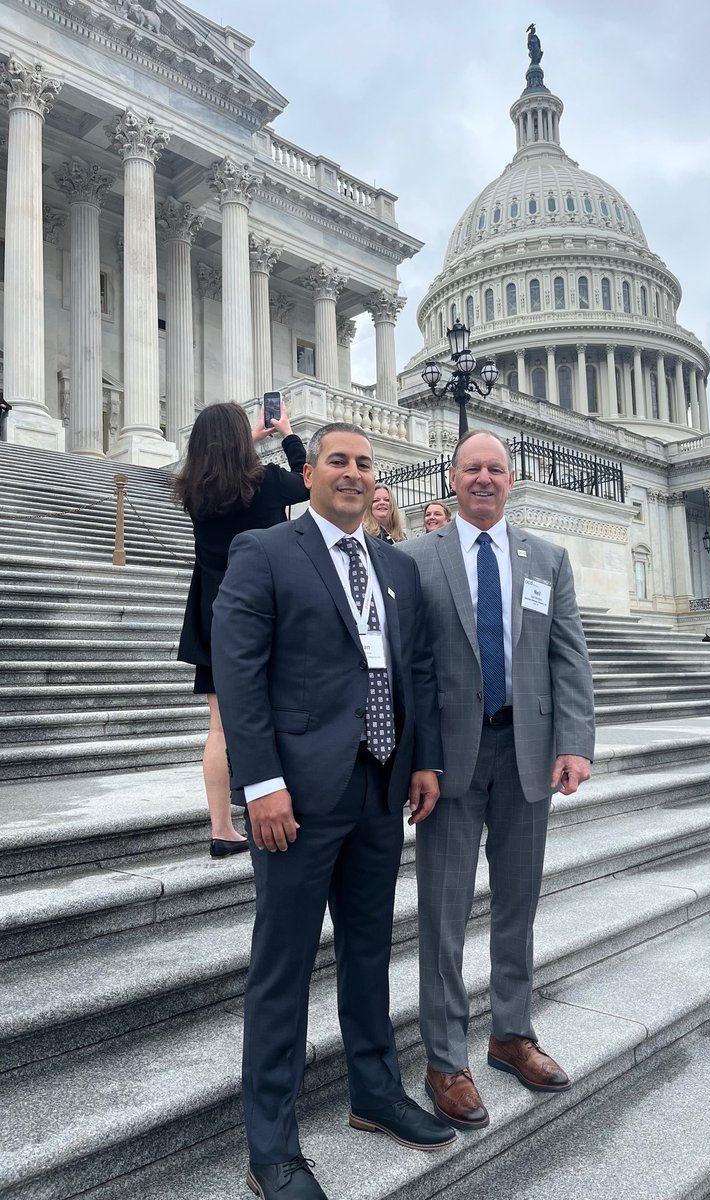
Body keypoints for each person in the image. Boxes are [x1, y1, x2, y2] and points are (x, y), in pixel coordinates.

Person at [211, 422, 454, 1200]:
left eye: (364, 463)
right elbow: (238, 672)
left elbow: (414, 667)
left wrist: (423, 760)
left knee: (369, 949)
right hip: (297, 796)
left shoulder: (394, 566)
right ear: (309, 473)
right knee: (282, 968)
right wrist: (260, 785)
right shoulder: (265, 552)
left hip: (380, 787)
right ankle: (272, 1147)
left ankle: (375, 1093)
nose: (353, 472)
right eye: (338, 461)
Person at [399, 429, 595, 1132]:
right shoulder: (414, 558)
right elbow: (405, 666)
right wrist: (414, 757)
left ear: (511, 480)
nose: (484, 478)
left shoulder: (546, 558)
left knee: (518, 905)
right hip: (448, 761)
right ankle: (445, 1060)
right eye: (471, 468)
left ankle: (511, 1034)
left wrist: (574, 742)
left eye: (496, 469)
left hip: (527, 753)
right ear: (452, 479)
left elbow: (568, 656)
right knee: (444, 914)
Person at [174, 400, 309, 858]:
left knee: (219, 727)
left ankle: (221, 828)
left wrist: (244, 438)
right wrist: (286, 434)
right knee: (277, 711)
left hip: (213, 612)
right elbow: (308, 480)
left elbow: (216, 463)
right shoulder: (266, 483)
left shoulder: (194, 490)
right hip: (266, 608)